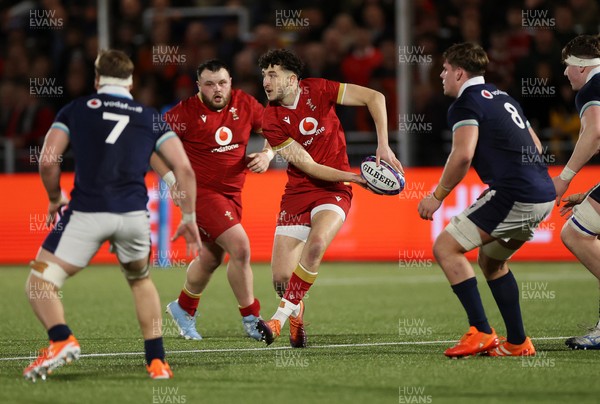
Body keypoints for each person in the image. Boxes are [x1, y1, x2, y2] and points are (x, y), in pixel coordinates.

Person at [23, 50, 201, 381]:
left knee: (40, 282)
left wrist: (53, 197)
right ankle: (157, 362)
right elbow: (184, 170)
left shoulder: (76, 109)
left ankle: (61, 339)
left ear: (96, 79)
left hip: (87, 213)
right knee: (140, 281)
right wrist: (188, 217)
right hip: (133, 217)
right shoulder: (149, 116)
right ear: (131, 82)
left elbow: (48, 160)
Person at [417, 42, 556, 358]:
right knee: (491, 262)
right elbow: (535, 144)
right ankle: (518, 342)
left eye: (445, 69)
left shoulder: (465, 104)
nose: (441, 75)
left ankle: (480, 330)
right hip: (542, 193)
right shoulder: (502, 96)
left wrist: (437, 196)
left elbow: (462, 155)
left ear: (459, 72)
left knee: (445, 247)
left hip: (515, 193)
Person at [257, 49, 401, 347]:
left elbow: (375, 97)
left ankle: (278, 320)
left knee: (318, 243)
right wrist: (358, 178)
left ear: (293, 79)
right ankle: (296, 314)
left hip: (333, 190)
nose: (266, 81)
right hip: (299, 191)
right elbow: (308, 166)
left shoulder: (319, 89)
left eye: (272, 75)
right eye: (263, 76)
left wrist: (383, 146)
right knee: (281, 279)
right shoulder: (270, 119)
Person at [155, 59, 272, 341]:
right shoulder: (184, 113)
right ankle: (251, 318)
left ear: (231, 81)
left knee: (210, 258)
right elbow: (152, 148)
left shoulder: (245, 104)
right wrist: (172, 183)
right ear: (199, 86)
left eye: (222, 82)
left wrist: (268, 155)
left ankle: (183, 308)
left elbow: (274, 128)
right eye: (209, 84)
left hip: (232, 193)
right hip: (199, 194)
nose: (216, 89)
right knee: (240, 247)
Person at [551, 35, 600, 350]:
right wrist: (589, 195)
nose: (566, 73)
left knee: (576, 235)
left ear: (581, 67)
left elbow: (595, 134)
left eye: (567, 66)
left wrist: (565, 178)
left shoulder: (593, 89)